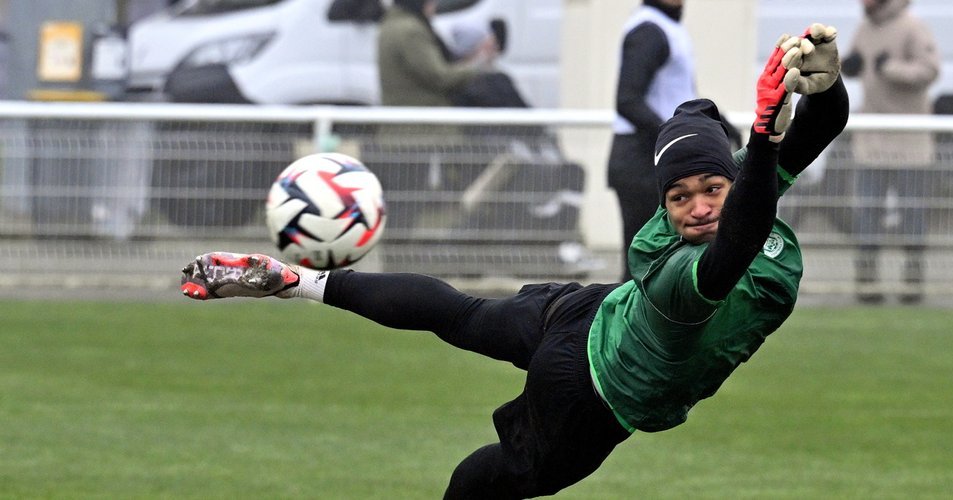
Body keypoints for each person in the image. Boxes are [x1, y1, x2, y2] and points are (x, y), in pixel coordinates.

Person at [179, 26, 846, 498]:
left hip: (587, 313)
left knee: (465, 315)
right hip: (593, 392)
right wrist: (762, 135)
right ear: (662, 205)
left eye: (709, 190)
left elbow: (812, 135)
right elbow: (736, 241)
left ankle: (301, 281)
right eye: (678, 198)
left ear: (731, 178)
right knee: (496, 478)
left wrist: (827, 84)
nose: (696, 207)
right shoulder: (674, 269)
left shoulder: (742, 189)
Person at [839, 0, 939, 305]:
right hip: (872, 140)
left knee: (912, 213)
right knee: (867, 212)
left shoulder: (912, 27)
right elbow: (857, 63)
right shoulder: (864, 29)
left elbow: (930, 69)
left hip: (908, 140)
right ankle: (867, 281)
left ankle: (912, 281)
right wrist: (849, 65)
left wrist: (891, 68)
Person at [605, 0, 696, 282]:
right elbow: (627, 100)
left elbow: (679, 96)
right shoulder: (650, 30)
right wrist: (674, 134)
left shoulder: (667, 28)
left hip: (656, 157)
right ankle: (621, 327)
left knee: (659, 266)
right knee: (641, 270)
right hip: (642, 159)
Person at [376, 0, 498, 108]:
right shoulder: (411, 31)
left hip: (411, 115)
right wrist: (478, 64)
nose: (435, 5)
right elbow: (440, 77)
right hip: (424, 121)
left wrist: (472, 57)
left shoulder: (393, 24)